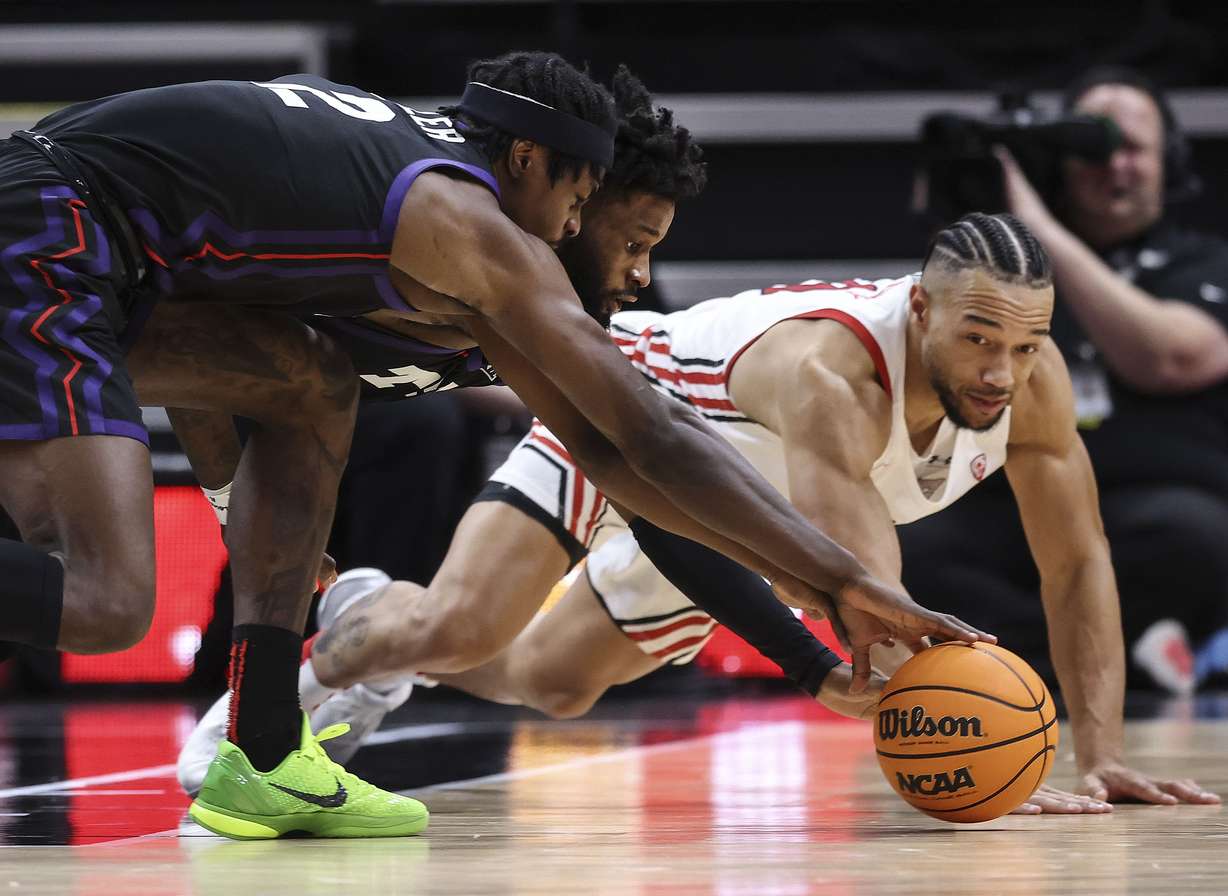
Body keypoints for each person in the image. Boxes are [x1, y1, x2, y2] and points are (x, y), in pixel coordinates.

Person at [63, 57, 984, 839]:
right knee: (121, 597)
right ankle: (283, 709)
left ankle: (276, 728)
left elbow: (648, 499)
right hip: (72, 225)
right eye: (631, 236)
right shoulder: (470, 244)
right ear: (561, 191)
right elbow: (652, 448)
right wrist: (838, 590)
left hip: (642, 426)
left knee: (553, 683)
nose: (638, 271)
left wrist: (813, 647)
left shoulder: (516, 285)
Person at [181, 211, 1222, 812]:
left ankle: (373, 618)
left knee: (551, 682)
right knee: (459, 623)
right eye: (979, 340)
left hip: (738, 499)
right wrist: (974, 749)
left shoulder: (1025, 384)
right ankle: (296, 673)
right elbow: (855, 577)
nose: (1002, 369)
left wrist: (1098, 751)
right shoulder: (832, 375)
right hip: (628, 413)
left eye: (1026, 345)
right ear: (919, 308)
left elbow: (1077, 562)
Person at [901, 67, 1228, 695]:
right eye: (1091, 149)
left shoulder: (1203, 262)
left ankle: (1013, 673)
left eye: (1131, 148)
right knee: (915, 548)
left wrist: (1037, 230)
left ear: (1170, 162)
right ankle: (1117, 661)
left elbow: (1172, 359)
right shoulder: (998, 267)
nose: (1114, 167)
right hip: (1008, 502)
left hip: (1150, 508)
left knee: (1196, 541)